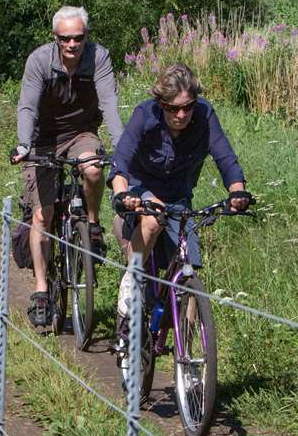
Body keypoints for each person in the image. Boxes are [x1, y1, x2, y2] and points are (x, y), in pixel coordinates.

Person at [107, 62, 252, 351]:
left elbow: (225, 157)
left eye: (188, 106)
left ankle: (185, 360)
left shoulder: (204, 115)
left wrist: (238, 192)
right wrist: (122, 194)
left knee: (189, 269)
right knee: (153, 219)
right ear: (161, 103)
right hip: (140, 189)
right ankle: (130, 282)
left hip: (179, 195)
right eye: (173, 109)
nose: (182, 114)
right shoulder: (144, 115)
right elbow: (121, 159)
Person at [11, 5, 125, 327]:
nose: (72, 45)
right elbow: (27, 106)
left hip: (81, 133)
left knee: (93, 169)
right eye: (65, 39)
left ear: (85, 36)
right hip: (43, 139)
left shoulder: (98, 58)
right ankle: (42, 290)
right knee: (42, 217)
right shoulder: (39, 61)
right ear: (55, 38)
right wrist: (23, 145)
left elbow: (109, 103)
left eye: (78, 38)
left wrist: (123, 145)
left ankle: (90, 224)